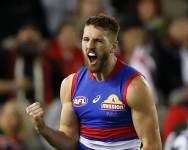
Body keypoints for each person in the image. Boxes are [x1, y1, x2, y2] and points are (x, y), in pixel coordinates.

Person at [26, 13, 161, 150]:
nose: (90, 46)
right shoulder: (70, 84)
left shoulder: (134, 86)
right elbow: (69, 140)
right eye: (86, 39)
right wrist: (43, 128)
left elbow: (152, 145)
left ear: (113, 47)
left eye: (98, 41)